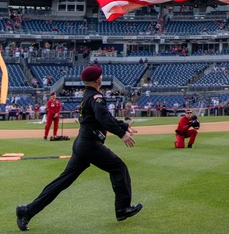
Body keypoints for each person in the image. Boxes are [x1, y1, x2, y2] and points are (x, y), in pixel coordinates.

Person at [16, 65, 142, 231]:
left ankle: (27, 211)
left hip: (83, 143)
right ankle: (122, 209)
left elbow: (100, 117)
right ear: (98, 80)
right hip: (90, 144)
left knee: (62, 181)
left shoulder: (88, 95)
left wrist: (124, 126)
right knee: (118, 168)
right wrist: (121, 133)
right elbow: (103, 117)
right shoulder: (96, 97)